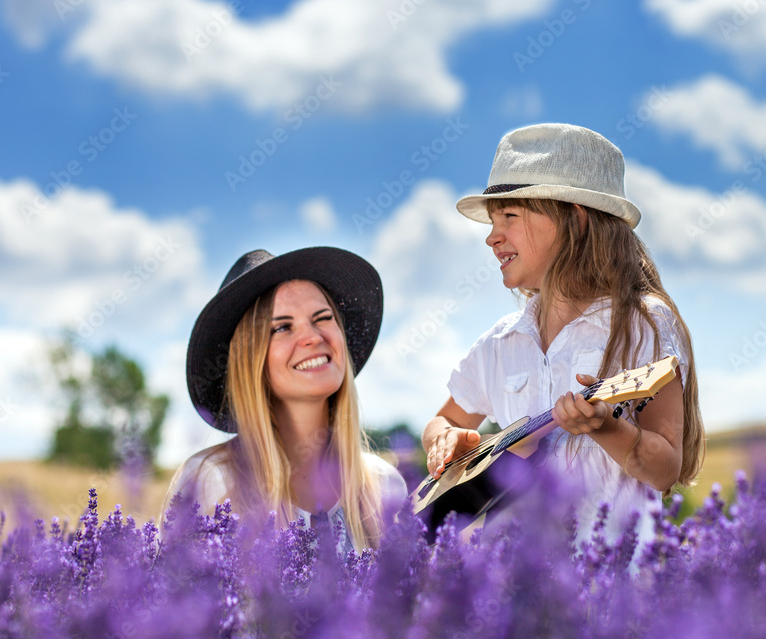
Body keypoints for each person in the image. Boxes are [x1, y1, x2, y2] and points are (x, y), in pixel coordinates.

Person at [422, 123, 705, 554]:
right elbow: (442, 422)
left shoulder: (643, 323)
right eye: (493, 220)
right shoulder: (501, 342)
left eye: (510, 217)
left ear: (574, 218)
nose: (491, 236)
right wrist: (444, 439)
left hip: (610, 584)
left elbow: (665, 468)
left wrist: (605, 427)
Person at [163, 247, 407, 552]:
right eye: (282, 327)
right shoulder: (211, 481)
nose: (313, 337)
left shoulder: (385, 485)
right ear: (250, 360)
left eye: (323, 317)